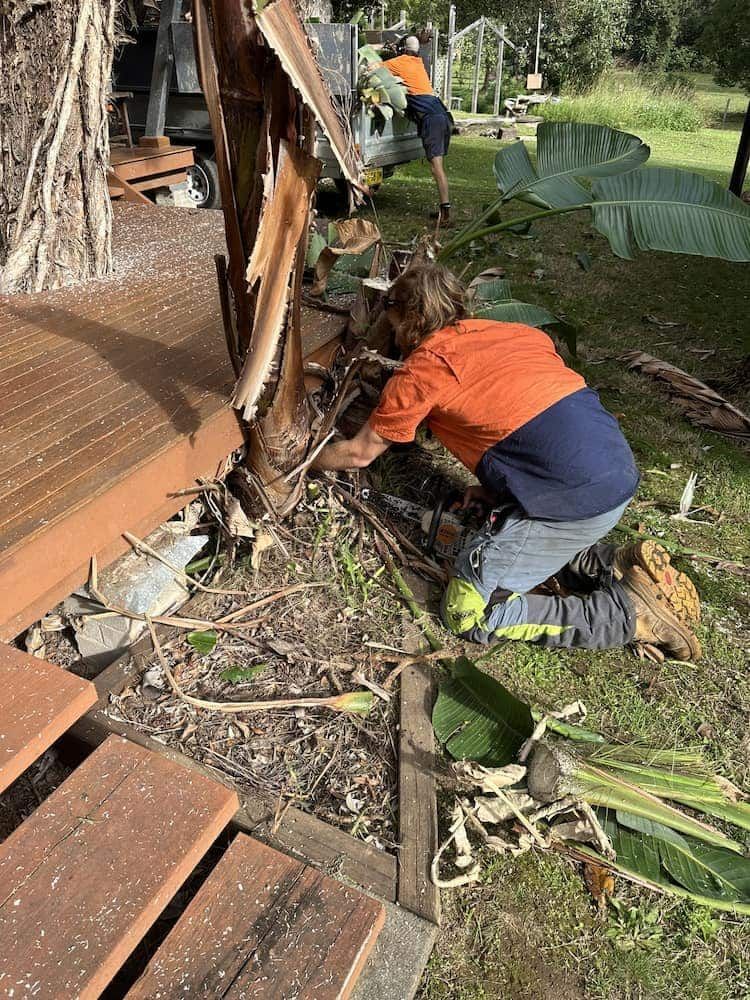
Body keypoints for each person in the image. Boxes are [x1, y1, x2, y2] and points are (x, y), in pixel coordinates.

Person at [314, 262, 702, 661]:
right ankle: (611, 565)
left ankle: (629, 615)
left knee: (469, 614)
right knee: (518, 529)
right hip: (614, 474)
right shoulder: (518, 333)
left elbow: (359, 453)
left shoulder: (424, 371)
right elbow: (533, 420)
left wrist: (303, 459)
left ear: (407, 314)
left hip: (573, 502)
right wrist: (499, 486)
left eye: (390, 311)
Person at [384, 36, 453, 225]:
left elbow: (375, 67)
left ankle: (446, 214)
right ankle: (443, 210)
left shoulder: (399, 62)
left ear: (402, 50)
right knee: (438, 166)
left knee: (436, 167)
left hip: (432, 119)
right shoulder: (418, 62)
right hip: (441, 114)